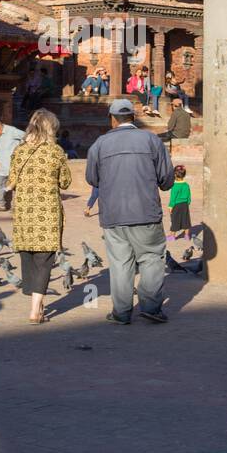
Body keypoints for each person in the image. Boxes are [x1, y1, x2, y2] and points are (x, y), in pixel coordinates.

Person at [85, 98, 174, 324]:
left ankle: (122, 312)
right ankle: (151, 307)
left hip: (113, 214)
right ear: (133, 118)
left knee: (120, 263)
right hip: (146, 211)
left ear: (112, 119)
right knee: (152, 258)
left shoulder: (100, 144)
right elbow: (166, 179)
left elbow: (92, 179)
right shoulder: (151, 140)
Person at [6, 109, 72, 324]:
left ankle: (35, 301)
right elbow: (65, 182)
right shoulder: (56, 151)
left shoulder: (19, 150)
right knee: (44, 260)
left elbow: (12, 178)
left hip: (25, 210)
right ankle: (36, 309)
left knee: (29, 257)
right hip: (47, 211)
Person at [0, 118, 26, 212]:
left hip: (14, 165)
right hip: (3, 165)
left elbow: (27, 136)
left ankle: (16, 207)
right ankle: (1, 205)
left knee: (16, 187)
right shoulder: (0, 134)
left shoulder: (12, 131)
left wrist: (21, 149)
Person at [166, 165, 191, 241]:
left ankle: (172, 236)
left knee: (175, 220)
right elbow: (189, 196)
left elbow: (173, 198)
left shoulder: (175, 186)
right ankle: (187, 236)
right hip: (185, 205)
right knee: (186, 221)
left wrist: (170, 206)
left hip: (176, 205)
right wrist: (187, 203)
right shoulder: (186, 185)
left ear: (175, 175)